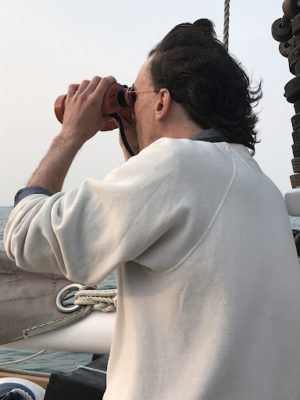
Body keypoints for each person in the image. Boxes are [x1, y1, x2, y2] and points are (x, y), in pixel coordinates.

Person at [4, 19, 300, 400]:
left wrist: (70, 134)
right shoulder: (257, 185)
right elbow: (148, 214)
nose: (131, 108)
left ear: (161, 102)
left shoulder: (179, 165)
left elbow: (24, 237)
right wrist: (130, 130)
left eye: (134, 97)